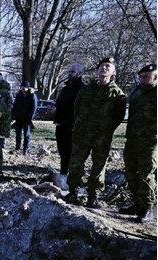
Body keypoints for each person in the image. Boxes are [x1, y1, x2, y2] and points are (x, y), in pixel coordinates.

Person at [65, 57, 127, 208]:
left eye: (108, 66)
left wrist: (105, 129)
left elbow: (118, 117)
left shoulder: (118, 94)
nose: (104, 68)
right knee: (75, 164)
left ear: (113, 72)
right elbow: (76, 109)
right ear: (97, 70)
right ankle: (73, 191)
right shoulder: (86, 89)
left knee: (98, 166)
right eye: (101, 66)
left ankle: (93, 195)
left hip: (102, 138)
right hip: (82, 134)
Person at [120, 63, 157, 222]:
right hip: (133, 138)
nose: (143, 79)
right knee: (130, 171)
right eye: (141, 76)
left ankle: (148, 207)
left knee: (146, 173)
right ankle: (138, 203)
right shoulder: (137, 91)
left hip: (151, 140)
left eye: (146, 77)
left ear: (155, 77)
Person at [52, 64, 84, 175]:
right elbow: (60, 103)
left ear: (79, 74)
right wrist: (55, 108)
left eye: (73, 71)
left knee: (70, 152)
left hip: (72, 124)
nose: (70, 73)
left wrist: (59, 110)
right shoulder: (65, 88)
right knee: (62, 152)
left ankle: (72, 175)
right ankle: (64, 173)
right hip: (61, 123)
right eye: (69, 71)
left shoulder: (82, 89)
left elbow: (76, 106)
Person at [11, 81, 38, 155]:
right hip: (18, 118)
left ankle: (25, 149)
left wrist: (30, 118)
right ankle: (17, 148)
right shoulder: (19, 95)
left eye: (25, 87)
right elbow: (15, 106)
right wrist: (13, 115)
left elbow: (34, 108)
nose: (23, 88)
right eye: (22, 86)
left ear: (28, 87)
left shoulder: (32, 95)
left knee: (26, 134)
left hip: (27, 118)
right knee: (18, 134)